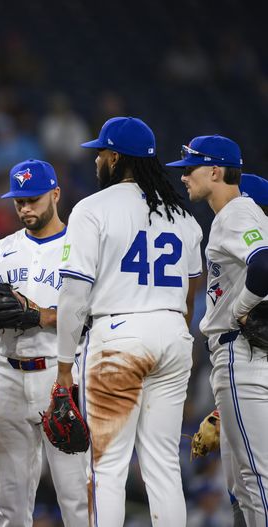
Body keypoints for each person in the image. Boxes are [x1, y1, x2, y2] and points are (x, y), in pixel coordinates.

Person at [54, 117, 203, 526]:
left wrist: (65, 366)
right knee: (163, 466)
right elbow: (192, 289)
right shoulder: (184, 218)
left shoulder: (92, 209)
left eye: (101, 152)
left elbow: (72, 295)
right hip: (173, 334)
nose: (97, 159)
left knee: (106, 469)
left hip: (118, 336)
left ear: (116, 157)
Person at [0, 159, 88, 526]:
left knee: (75, 494)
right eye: (19, 201)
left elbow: (94, 313)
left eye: (33, 199)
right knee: (10, 501)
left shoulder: (81, 246)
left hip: (62, 375)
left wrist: (40, 316)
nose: (26, 208)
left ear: (55, 194)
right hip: (9, 376)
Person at [167, 137, 268, 526]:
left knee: (255, 482)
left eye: (190, 169)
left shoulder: (237, 213)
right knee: (245, 488)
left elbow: (263, 266)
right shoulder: (236, 216)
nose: (184, 176)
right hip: (242, 357)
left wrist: (242, 310)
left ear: (215, 171)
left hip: (241, 353)